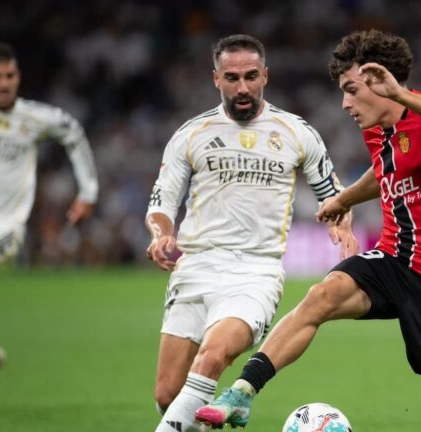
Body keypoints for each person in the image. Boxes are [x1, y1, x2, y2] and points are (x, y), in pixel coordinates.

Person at [197, 29, 421, 432]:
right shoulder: (376, 130)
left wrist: (399, 94)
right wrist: (344, 198)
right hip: (395, 258)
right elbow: (386, 168)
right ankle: (242, 392)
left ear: (382, 82)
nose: (345, 103)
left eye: (352, 90)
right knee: (321, 296)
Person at [145, 34, 357, 432]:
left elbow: (333, 195)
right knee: (169, 396)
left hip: (254, 273)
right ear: (215, 79)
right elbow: (161, 203)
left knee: (212, 358)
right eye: (232, 77)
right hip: (195, 267)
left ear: (266, 76)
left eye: (250, 76)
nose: (242, 87)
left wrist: (341, 224)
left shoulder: (296, 132)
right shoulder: (191, 134)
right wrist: (161, 234)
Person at [0, 41, 98, 408]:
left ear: (18, 77)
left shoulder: (34, 118)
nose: (4, 83)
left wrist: (88, 192)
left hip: (5, 227)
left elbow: (73, 132)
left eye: (10, 75)